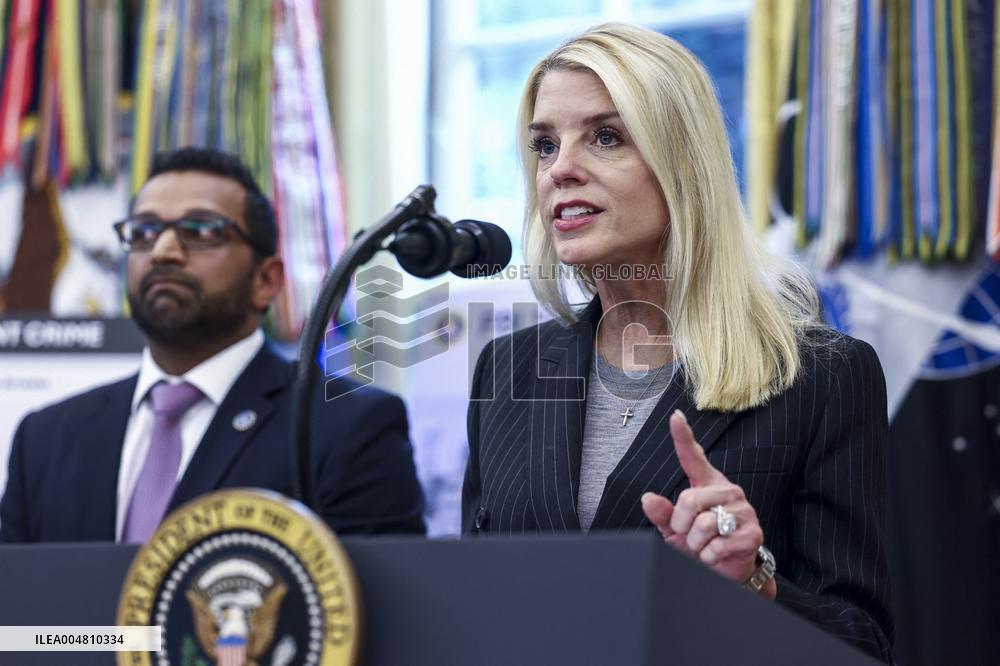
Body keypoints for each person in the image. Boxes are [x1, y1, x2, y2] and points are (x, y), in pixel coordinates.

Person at [462, 23, 893, 663]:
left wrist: (755, 582)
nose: (561, 170)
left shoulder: (822, 376)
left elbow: (865, 646)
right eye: (545, 145)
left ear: (683, 164)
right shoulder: (507, 368)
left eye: (605, 137)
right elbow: (473, 609)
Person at [1, 147, 425, 543]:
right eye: (144, 231)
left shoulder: (345, 427)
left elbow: (378, 597)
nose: (164, 251)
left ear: (266, 281)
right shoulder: (46, 438)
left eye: (201, 231)